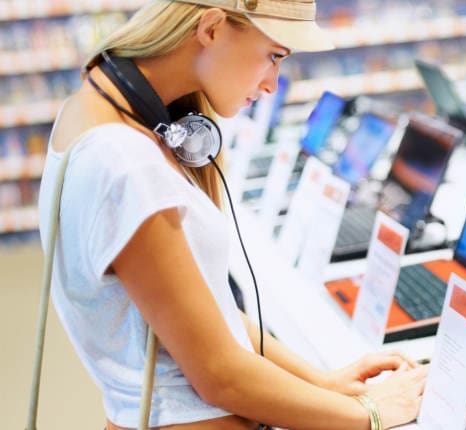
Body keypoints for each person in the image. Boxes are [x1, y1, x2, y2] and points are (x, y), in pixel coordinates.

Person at [38, 0, 427, 428]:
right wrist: (369, 414)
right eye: (274, 56)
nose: (272, 85)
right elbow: (220, 377)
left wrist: (324, 382)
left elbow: (206, 310)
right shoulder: (125, 163)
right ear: (211, 28)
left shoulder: (96, 111)